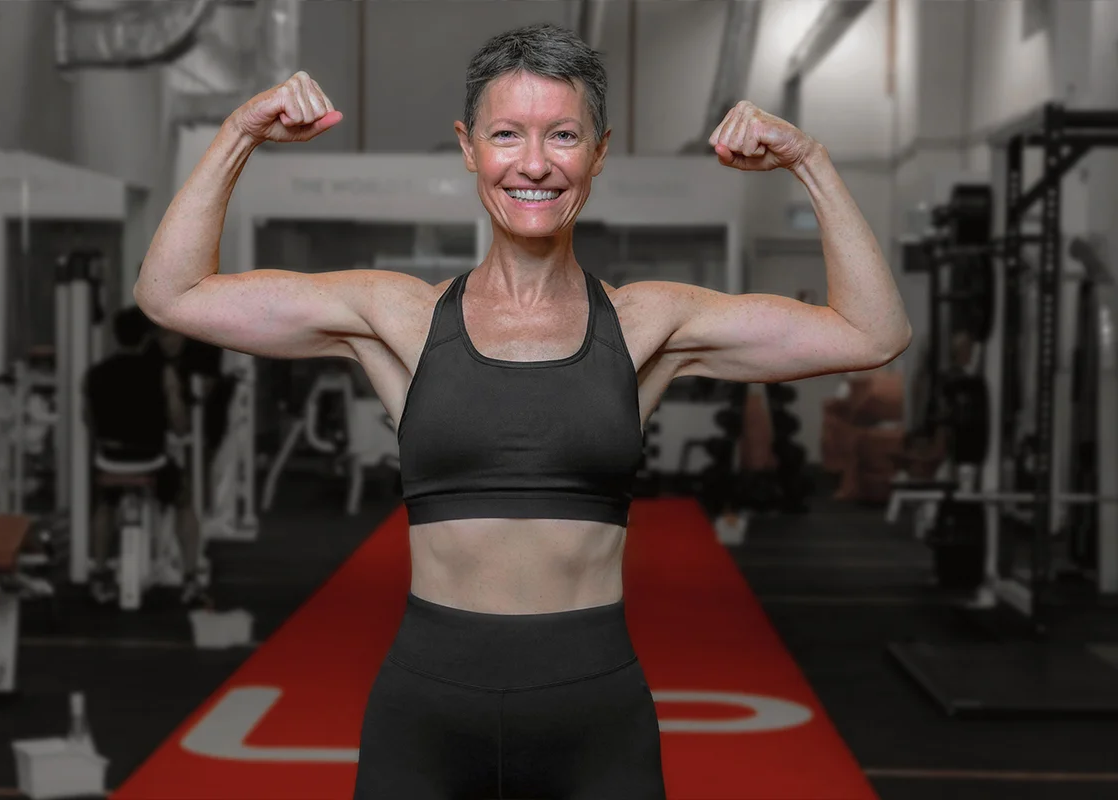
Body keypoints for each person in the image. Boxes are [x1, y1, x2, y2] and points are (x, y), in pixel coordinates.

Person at [135, 22, 911, 799]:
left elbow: (873, 331)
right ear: (469, 146)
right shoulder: (398, 317)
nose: (534, 163)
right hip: (426, 718)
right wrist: (239, 133)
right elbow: (172, 293)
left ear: (598, 152)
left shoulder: (648, 323)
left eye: (563, 135)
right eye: (507, 134)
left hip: (596, 721)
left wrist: (809, 161)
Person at [83, 306, 208, 607]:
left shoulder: (95, 374)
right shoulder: (163, 372)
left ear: (115, 337)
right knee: (184, 499)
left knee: (104, 503)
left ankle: (99, 575)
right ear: (146, 338)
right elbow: (179, 427)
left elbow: (88, 421)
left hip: (109, 461)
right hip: (151, 461)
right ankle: (190, 578)